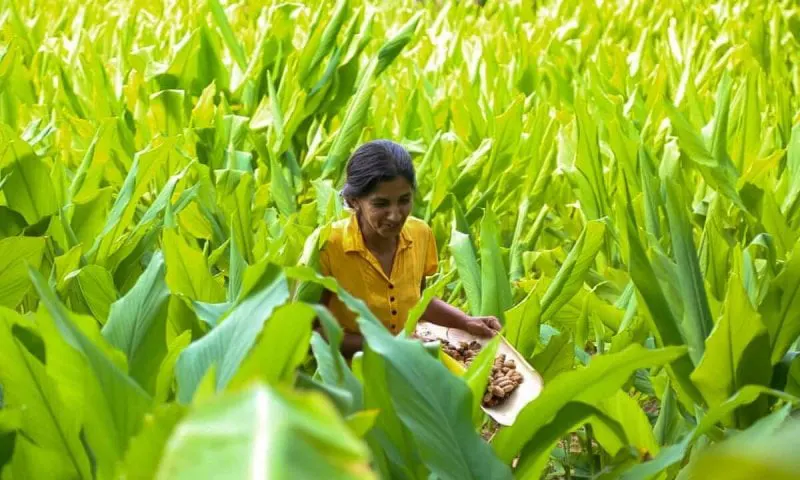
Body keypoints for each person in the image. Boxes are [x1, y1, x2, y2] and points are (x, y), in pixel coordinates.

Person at [317, 139, 501, 358]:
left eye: (404, 200)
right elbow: (312, 333)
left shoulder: (420, 233)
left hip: (408, 365)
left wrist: (465, 321)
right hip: (351, 376)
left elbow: (418, 300)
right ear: (354, 201)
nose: (395, 215)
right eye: (381, 204)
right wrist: (391, 345)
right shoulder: (327, 246)